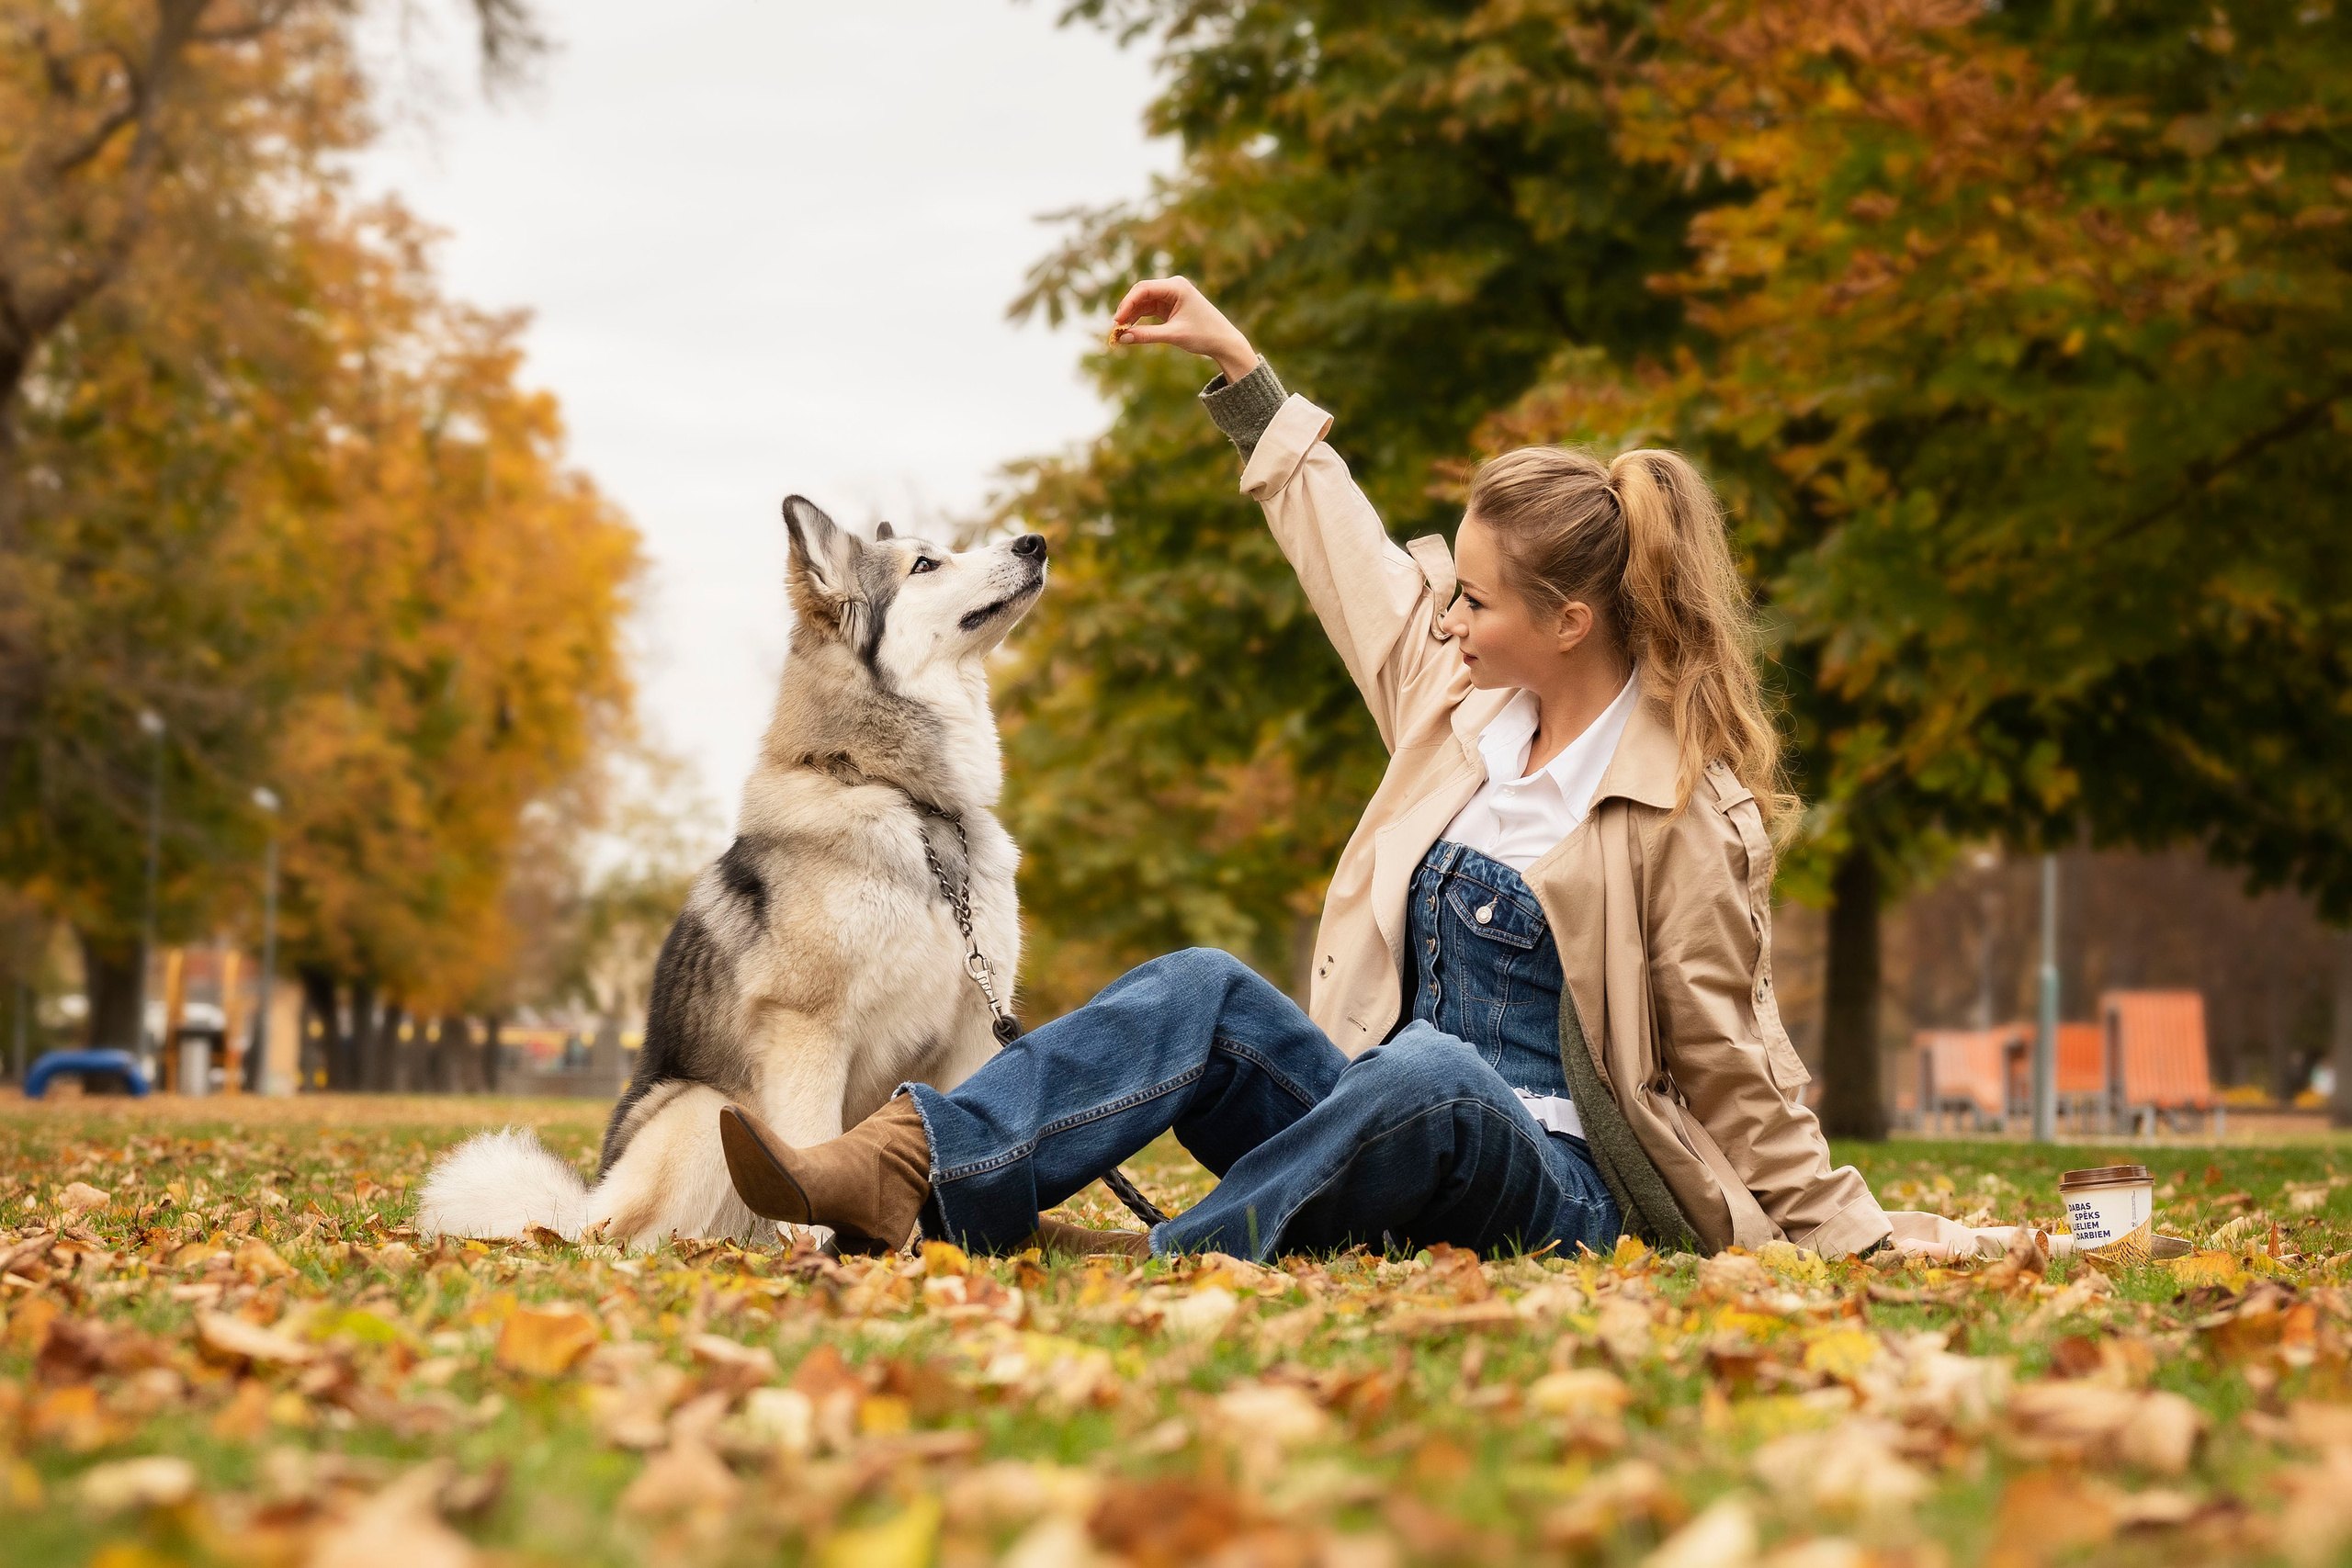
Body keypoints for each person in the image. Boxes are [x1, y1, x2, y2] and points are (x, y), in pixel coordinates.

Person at [717, 277, 1893, 1262]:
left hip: (1559, 1193)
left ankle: (1172, 1259)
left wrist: (1864, 1240)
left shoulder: (1683, 811)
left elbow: (1741, 1068)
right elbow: (1351, 558)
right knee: (1203, 985)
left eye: (1474, 602)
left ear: (1571, 623)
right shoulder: (1462, 704)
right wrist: (1241, 373)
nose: (1445, 621)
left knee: (1431, 1070)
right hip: (1380, 1135)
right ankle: (904, 1168)